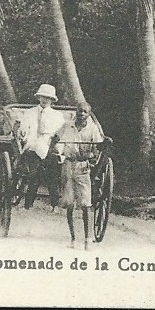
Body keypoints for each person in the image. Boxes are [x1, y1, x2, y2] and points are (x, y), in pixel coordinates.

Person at [53, 104, 103, 249]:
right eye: (79, 111)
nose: (81, 114)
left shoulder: (92, 129)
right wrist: (56, 148)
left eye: (85, 112)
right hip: (68, 165)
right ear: (76, 112)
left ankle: (87, 239)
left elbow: (97, 148)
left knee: (86, 204)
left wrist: (93, 155)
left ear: (89, 114)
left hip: (83, 167)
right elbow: (56, 138)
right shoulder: (67, 126)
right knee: (69, 203)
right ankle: (73, 239)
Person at [14, 84, 66, 209]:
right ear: (38, 97)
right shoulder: (29, 113)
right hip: (32, 147)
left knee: (52, 176)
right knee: (33, 174)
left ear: (52, 100)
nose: (45, 100)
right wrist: (23, 134)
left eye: (48, 98)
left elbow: (60, 134)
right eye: (43, 97)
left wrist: (54, 146)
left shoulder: (57, 116)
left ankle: (54, 205)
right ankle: (28, 204)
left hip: (49, 148)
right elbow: (24, 130)